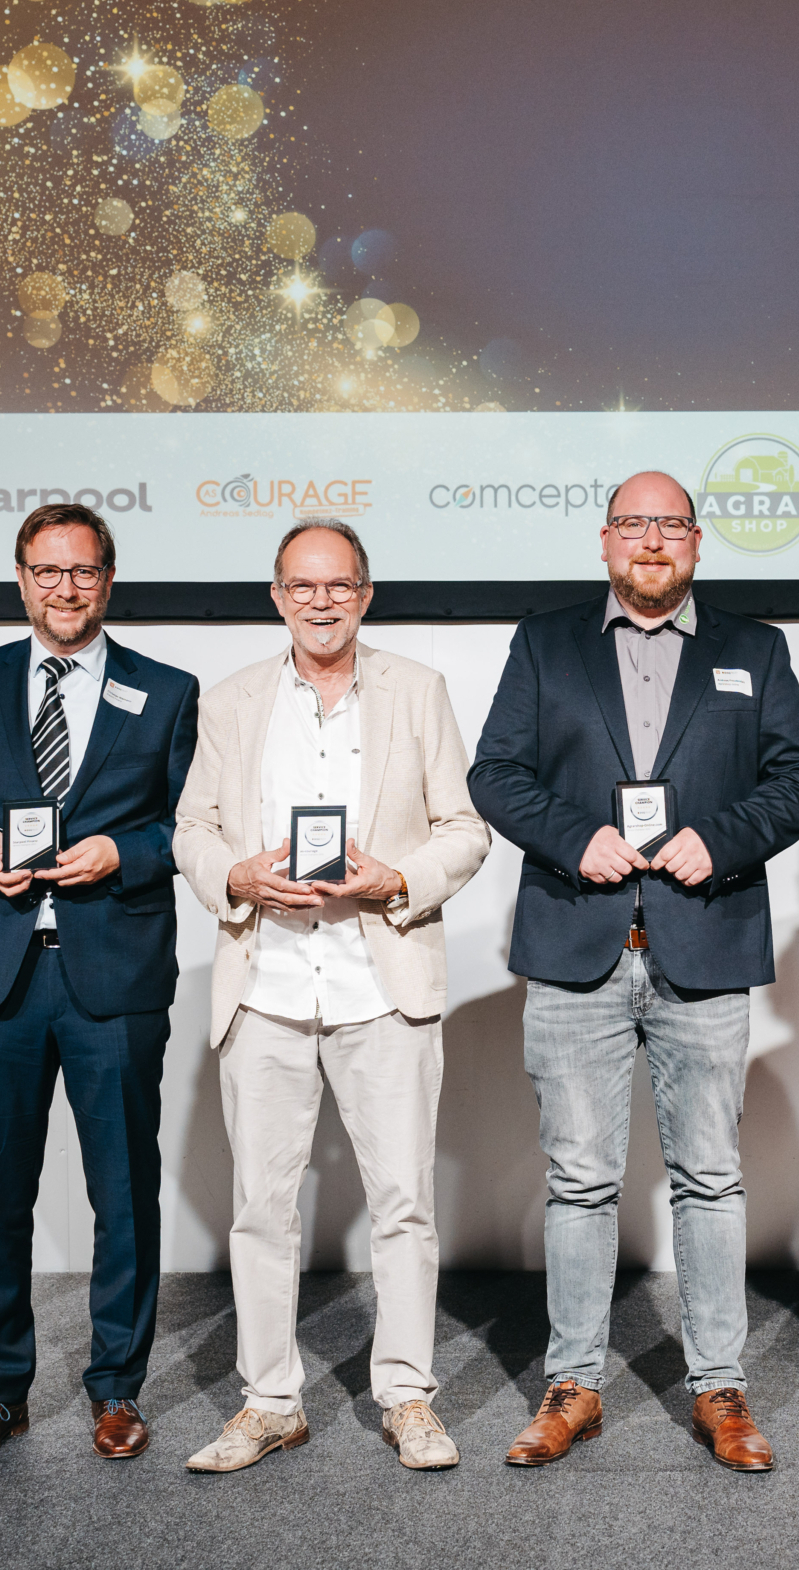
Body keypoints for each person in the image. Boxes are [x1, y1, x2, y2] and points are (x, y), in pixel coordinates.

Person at [468, 470, 799, 1472]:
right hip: (575, 948)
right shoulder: (544, 644)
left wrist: (727, 839)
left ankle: (721, 1390)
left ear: (699, 543)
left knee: (709, 1180)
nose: (652, 542)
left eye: (670, 525)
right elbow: (496, 773)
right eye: (634, 524)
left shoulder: (756, 649)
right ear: (604, 542)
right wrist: (574, 836)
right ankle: (573, 1386)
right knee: (578, 1182)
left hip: (704, 946)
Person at [172, 520, 489, 1474]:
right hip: (264, 982)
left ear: (365, 593)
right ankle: (270, 1401)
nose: (321, 600)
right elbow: (191, 826)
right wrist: (238, 875)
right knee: (261, 1210)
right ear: (277, 596)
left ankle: (406, 1396)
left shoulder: (417, 691)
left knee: (403, 1205)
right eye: (302, 586)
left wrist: (397, 878)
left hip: (380, 983)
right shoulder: (230, 702)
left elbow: (465, 828)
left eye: (339, 584)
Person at [0, 501, 199, 1463]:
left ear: (109, 579)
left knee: (124, 1192)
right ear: (21, 578)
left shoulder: (168, 688)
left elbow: (196, 825)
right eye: (47, 570)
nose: (65, 587)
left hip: (114, 971)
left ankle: (117, 1389)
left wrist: (124, 849)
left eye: (83, 571)